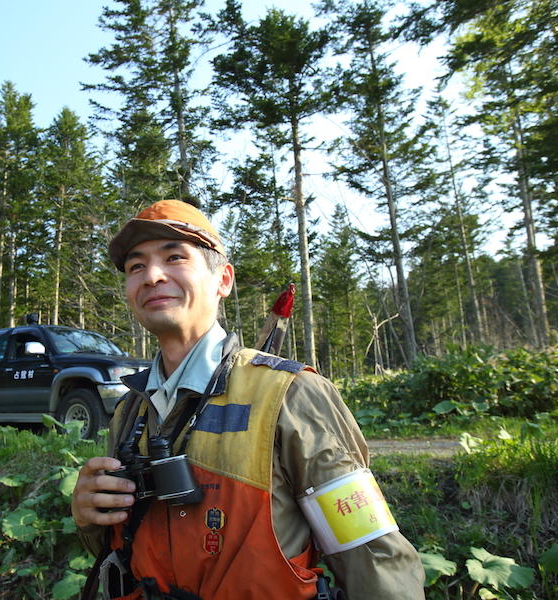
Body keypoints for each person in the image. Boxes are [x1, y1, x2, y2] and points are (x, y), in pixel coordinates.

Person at [71, 199, 425, 599]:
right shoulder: (129, 411)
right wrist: (90, 518)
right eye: (136, 266)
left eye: (174, 258)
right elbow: (119, 550)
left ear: (223, 280)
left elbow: (369, 555)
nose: (152, 275)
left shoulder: (290, 393)